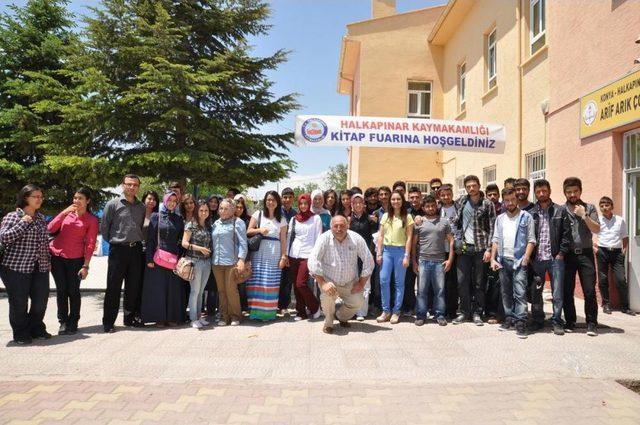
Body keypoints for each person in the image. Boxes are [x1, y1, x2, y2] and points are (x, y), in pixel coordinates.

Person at [0, 185, 51, 344]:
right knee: (19, 302)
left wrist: (48, 261)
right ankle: (21, 333)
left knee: (40, 301)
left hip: (40, 266)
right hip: (15, 267)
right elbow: (4, 238)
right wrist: (22, 223)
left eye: (41, 197)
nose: (39, 199)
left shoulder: (41, 218)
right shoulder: (12, 217)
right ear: (25, 198)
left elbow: (43, 243)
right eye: (35, 196)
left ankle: (36, 329)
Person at [309, 215, 374, 334]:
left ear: (348, 226)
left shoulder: (356, 238)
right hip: (330, 281)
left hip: (350, 282)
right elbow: (313, 260)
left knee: (358, 301)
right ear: (331, 227)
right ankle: (329, 322)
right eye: (336, 226)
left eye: (342, 226)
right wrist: (322, 283)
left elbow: (369, 260)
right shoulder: (324, 238)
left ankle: (342, 317)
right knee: (327, 297)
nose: (339, 228)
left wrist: (361, 283)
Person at [48, 187, 99, 335]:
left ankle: (73, 321)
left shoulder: (92, 220)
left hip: (76, 259)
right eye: (75, 198)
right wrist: (64, 212)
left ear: (87, 201)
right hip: (56, 256)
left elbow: (90, 243)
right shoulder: (67, 214)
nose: (76, 201)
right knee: (61, 290)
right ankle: (63, 321)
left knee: (73, 291)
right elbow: (50, 228)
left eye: (80, 198)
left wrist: (86, 266)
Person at [101, 174, 145, 333]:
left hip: (136, 250)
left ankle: (129, 318)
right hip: (118, 250)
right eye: (129, 184)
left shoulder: (141, 206)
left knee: (133, 287)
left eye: (135, 185)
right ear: (123, 185)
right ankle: (108, 322)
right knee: (113, 287)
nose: (132, 187)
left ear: (138, 187)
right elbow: (105, 228)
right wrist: (116, 241)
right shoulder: (113, 204)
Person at [490, 188, 536, 339]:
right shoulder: (500, 219)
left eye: (513, 200)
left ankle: (521, 322)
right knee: (506, 293)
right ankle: (509, 318)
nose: (510, 203)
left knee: (520, 292)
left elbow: (531, 239)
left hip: (519, 261)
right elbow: (495, 239)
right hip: (503, 261)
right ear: (503, 201)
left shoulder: (526, 217)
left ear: (517, 200)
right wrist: (493, 259)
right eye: (507, 200)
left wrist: (526, 258)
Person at [453, 175, 496, 326]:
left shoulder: (488, 203)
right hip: (464, 248)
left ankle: (477, 312)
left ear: (479, 186)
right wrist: (457, 238)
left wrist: (489, 249)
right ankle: (464, 312)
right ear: (466, 188)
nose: (471, 188)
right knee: (462, 281)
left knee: (479, 283)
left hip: (480, 248)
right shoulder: (461, 202)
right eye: (468, 186)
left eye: (474, 185)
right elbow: (455, 222)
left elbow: (492, 228)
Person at [530, 179, 571, 335]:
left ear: (549, 191)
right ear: (535, 193)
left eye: (544, 191)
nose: (541, 194)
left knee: (557, 292)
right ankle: (538, 320)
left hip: (555, 259)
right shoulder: (531, 213)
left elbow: (567, 235)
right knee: (536, 291)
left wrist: (561, 253)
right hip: (537, 259)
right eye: (538, 192)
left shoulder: (560, 211)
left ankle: (556, 321)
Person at [562, 177, 600, 336]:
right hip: (567, 255)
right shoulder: (561, 210)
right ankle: (570, 321)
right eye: (569, 192)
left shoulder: (589, 208)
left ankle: (591, 323)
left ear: (580, 191)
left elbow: (597, 229)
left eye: (575, 191)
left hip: (585, 254)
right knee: (567, 290)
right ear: (565, 193)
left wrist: (584, 215)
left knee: (590, 290)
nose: (572, 194)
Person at [141, 192, 185, 327]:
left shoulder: (178, 219)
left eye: (174, 201)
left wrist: (181, 259)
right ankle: (159, 317)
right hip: (157, 257)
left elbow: (181, 240)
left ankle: (172, 317)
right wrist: (149, 259)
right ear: (165, 201)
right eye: (169, 200)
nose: (172, 203)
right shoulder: (156, 216)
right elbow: (151, 240)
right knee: (158, 289)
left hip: (173, 258)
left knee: (173, 289)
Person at [245, 191, 288, 321]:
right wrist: (260, 230)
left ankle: (268, 313)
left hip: (274, 254)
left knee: (271, 283)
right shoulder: (258, 214)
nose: (271, 202)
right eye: (268, 199)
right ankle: (255, 313)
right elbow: (248, 231)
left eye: (273, 200)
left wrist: (283, 257)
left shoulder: (282, 219)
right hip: (258, 252)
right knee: (257, 281)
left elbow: (284, 240)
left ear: (277, 202)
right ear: (265, 201)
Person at [412, 195, 453, 326]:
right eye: (427, 206)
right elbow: (413, 244)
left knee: (440, 291)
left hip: (440, 261)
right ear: (423, 208)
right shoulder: (419, 222)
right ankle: (421, 315)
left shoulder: (444, 222)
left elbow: (451, 241)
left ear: (436, 206)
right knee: (422, 290)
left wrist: (450, 260)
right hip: (423, 260)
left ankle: (439, 314)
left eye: (433, 206)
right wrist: (414, 261)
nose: (430, 208)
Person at [376, 190, 414, 324]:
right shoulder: (385, 216)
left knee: (399, 283)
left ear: (402, 201)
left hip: (400, 251)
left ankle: (396, 311)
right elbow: (380, 236)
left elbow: (409, 238)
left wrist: (406, 256)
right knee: (384, 280)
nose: (395, 202)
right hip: (386, 251)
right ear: (390, 201)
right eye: (393, 199)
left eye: (398, 199)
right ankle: (385, 311)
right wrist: (379, 253)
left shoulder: (407, 217)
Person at [211, 199, 248, 326]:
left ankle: (235, 316)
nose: (222, 211)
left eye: (226, 208)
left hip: (231, 262)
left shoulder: (238, 222)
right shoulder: (215, 223)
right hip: (216, 262)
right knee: (221, 291)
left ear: (233, 210)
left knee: (231, 290)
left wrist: (241, 259)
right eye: (221, 208)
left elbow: (243, 243)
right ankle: (224, 316)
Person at [596, 196, 635, 315]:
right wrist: (595, 249)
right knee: (603, 279)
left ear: (612, 206)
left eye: (607, 205)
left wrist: (623, 252)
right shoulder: (597, 220)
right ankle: (606, 304)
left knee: (621, 279)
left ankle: (625, 306)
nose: (604, 208)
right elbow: (591, 234)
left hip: (617, 253)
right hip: (602, 251)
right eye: (602, 206)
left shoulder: (620, 220)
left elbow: (625, 237)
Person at [287, 193, 323, 321]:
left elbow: (318, 238)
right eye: (301, 203)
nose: (303, 206)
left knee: (301, 283)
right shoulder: (294, 219)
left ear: (309, 204)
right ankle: (301, 312)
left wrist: (316, 257)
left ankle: (314, 307)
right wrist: (286, 255)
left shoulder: (316, 218)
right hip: (293, 254)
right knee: (295, 286)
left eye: (305, 203)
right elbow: (289, 238)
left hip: (308, 255)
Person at [181, 200, 213, 329]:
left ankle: (199, 316)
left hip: (206, 262)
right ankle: (193, 318)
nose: (204, 212)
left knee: (201, 291)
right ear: (196, 211)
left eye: (206, 210)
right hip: (194, 261)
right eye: (201, 210)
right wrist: (200, 248)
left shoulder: (207, 225)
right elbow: (184, 243)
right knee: (194, 291)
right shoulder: (191, 225)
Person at [349, 193, 375, 320]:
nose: (358, 204)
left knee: (365, 282)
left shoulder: (370, 219)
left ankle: (361, 312)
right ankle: (351, 310)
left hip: (366, 254)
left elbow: (374, 238)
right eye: (355, 202)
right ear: (352, 205)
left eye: (360, 202)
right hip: (351, 255)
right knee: (352, 282)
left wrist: (370, 254)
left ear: (364, 204)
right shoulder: (348, 220)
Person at [484, 183, 503, 324]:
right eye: (489, 195)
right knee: (485, 282)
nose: (492, 197)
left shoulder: (504, 209)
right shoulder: (483, 208)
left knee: (497, 283)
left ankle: (496, 312)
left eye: (494, 194)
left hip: (501, 251)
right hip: (485, 250)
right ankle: (486, 309)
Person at [439, 184, 459, 319]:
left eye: (448, 194)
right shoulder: (436, 209)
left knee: (453, 281)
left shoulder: (459, 207)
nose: (446, 197)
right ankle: (441, 308)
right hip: (440, 249)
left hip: (456, 249)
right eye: (443, 195)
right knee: (441, 281)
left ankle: (452, 310)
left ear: (452, 194)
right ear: (439, 196)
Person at [278, 187, 297, 316]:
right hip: (275, 249)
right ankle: (273, 304)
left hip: (290, 250)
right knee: (275, 279)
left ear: (293, 199)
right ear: (281, 198)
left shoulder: (296, 214)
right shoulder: (276, 212)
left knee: (287, 280)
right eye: (285, 197)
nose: (287, 200)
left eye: (290, 197)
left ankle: (284, 305)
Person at [233, 193, 251, 313]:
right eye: (237, 207)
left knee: (242, 282)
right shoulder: (228, 219)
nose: (239, 209)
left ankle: (243, 307)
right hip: (230, 255)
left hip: (244, 255)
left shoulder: (248, 220)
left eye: (241, 207)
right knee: (231, 283)